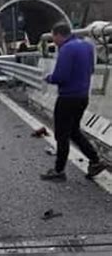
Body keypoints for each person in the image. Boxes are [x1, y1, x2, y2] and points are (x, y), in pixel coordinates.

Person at [41, 22, 106, 181]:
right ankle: (95, 160)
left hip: (67, 98)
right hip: (82, 96)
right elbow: (91, 70)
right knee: (74, 131)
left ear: (58, 35)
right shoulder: (87, 46)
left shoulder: (66, 49)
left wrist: (48, 78)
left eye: (53, 38)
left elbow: (60, 76)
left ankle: (59, 171)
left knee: (62, 134)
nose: (53, 42)